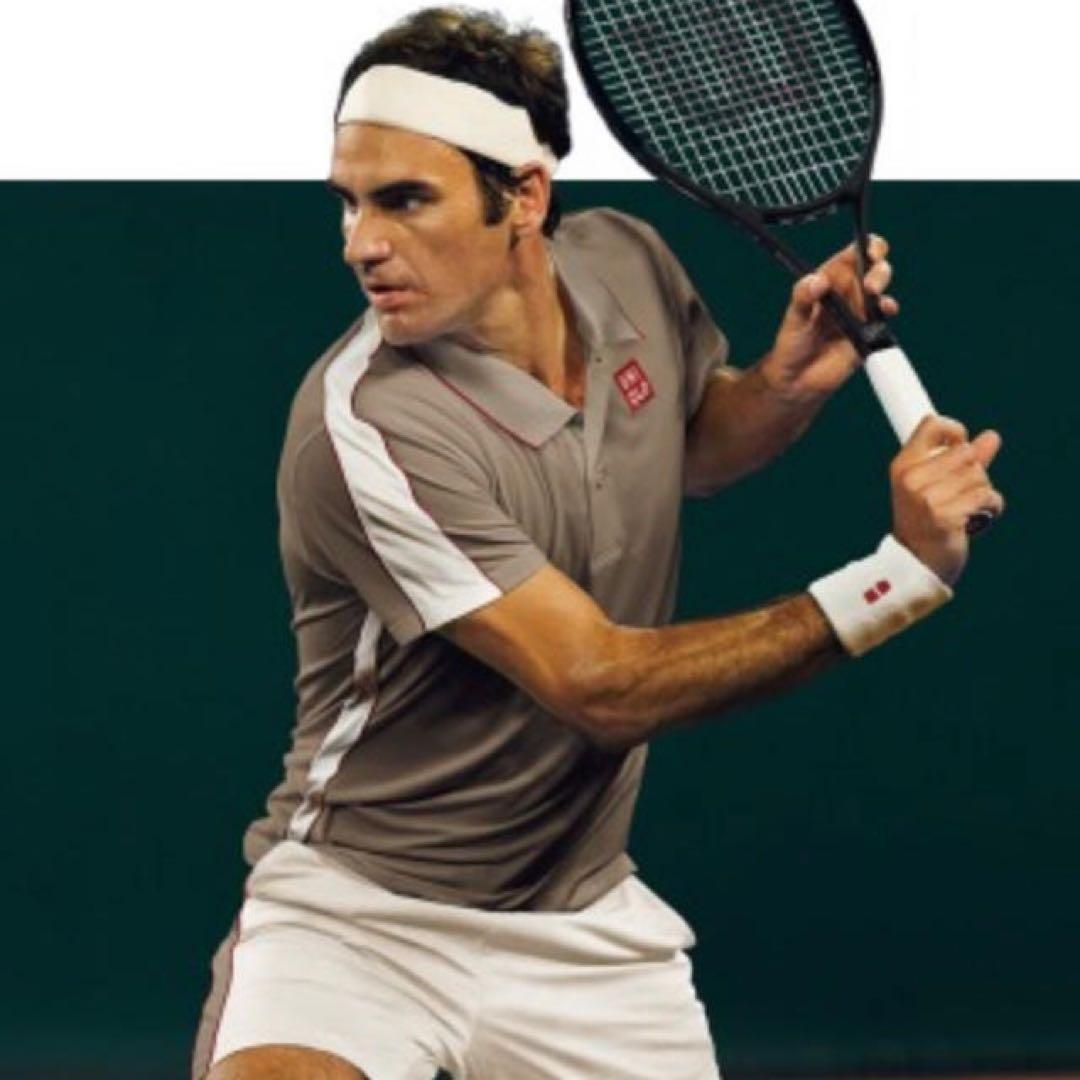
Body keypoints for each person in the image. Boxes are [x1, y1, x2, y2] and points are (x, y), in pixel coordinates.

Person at [192, 8, 1005, 1079]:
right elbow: (601, 686)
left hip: (580, 922)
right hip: (360, 922)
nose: (360, 242)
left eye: (405, 199)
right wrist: (896, 579)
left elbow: (685, 449)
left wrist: (784, 383)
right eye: (349, 201)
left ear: (525, 197)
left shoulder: (626, 261)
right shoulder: (366, 426)